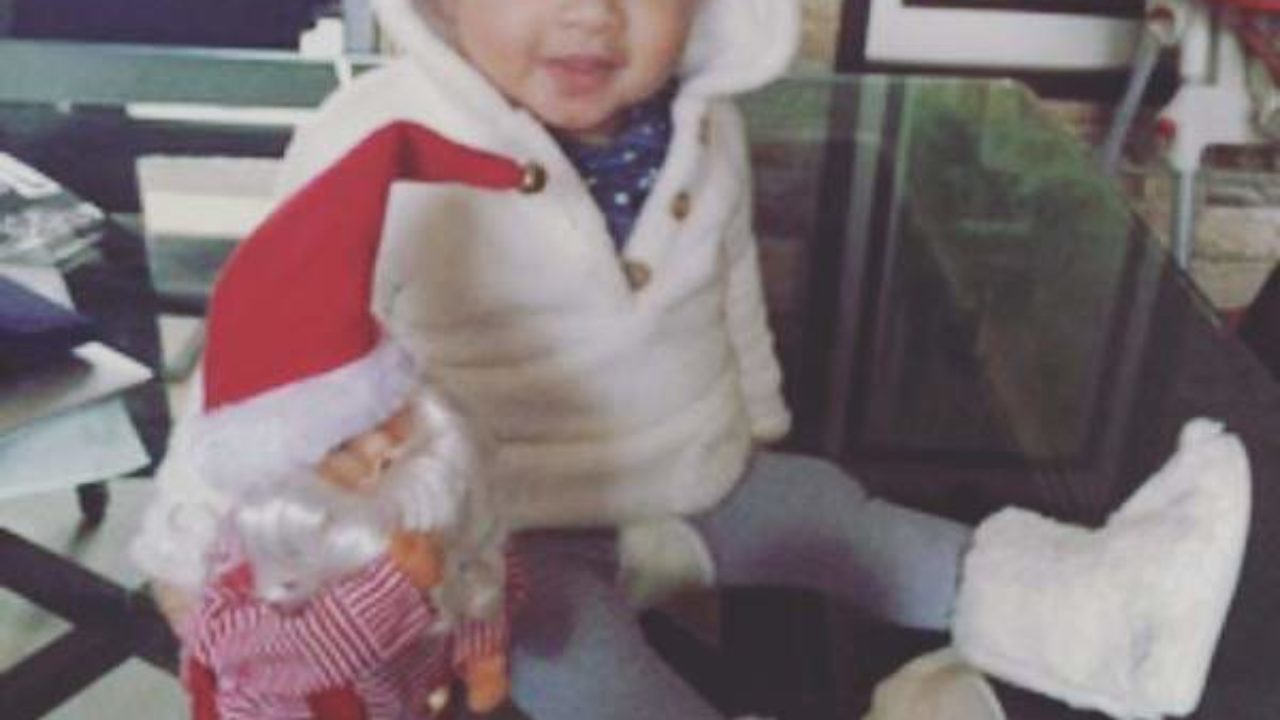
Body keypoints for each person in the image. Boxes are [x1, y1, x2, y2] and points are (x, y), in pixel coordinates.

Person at [133, 1, 1252, 719]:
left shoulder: (697, 122)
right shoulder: (374, 139)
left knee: (841, 521)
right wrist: (190, 547)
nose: (590, 16)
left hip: (692, 472)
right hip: (508, 537)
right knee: (593, 675)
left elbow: (727, 280)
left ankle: (1097, 617)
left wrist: (754, 423)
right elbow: (253, 367)